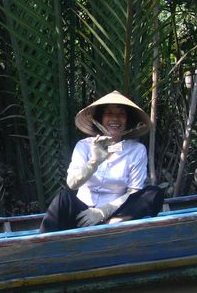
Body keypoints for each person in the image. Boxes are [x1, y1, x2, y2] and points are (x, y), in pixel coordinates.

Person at [39, 90, 164, 233]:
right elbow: (72, 184)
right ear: (100, 118)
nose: (115, 119)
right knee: (63, 198)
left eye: (121, 114)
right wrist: (94, 161)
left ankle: (109, 228)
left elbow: (133, 192)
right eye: (109, 113)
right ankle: (40, 248)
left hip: (118, 217)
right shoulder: (84, 146)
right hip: (82, 216)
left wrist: (103, 212)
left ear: (128, 120)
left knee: (154, 193)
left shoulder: (137, 150)